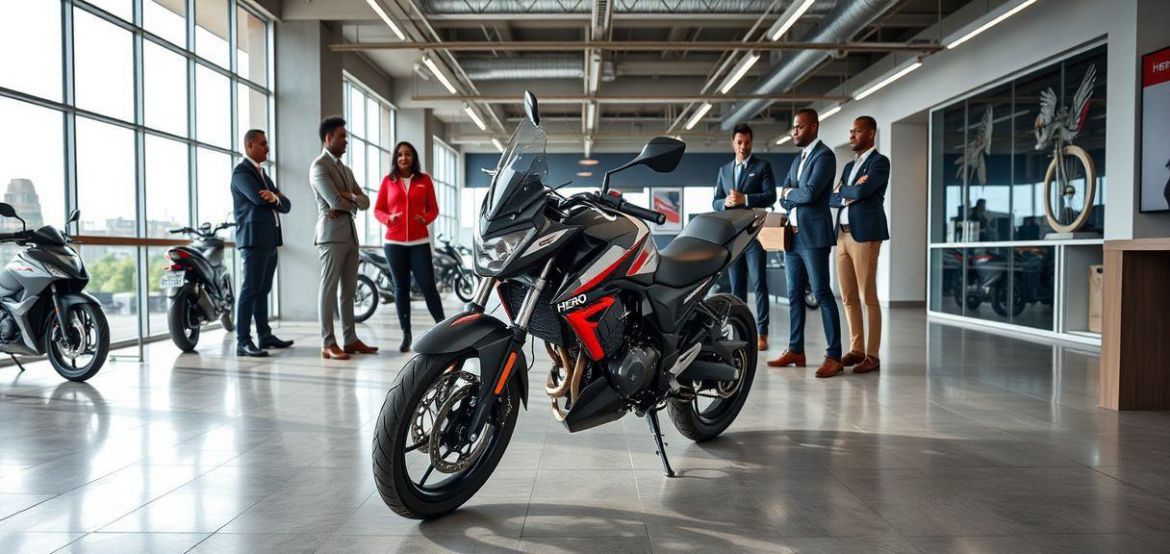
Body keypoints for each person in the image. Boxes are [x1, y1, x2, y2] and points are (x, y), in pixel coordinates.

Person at [767, 108, 843, 378]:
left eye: (799, 127)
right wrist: (790, 193)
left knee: (821, 293)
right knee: (794, 294)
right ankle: (796, 350)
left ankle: (834, 356)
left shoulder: (825, 156)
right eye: (794, 127)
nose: (794, 132)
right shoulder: (797, 159)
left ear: (813, 127)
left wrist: (791, 193)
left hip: (813, 237)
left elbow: (810, 194)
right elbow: (782, 196)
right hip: (793, 237)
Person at [310, 116, 377, 360]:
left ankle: (350, 340)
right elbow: (334, 201)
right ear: (329, 138)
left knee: (349, 291)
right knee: (328, 290)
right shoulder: (319, 166)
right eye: (342, 137)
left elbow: (366, 202)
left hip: (350, 234)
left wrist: (349, 196)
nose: (346, 141)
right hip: (330, 236)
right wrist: (348, 199)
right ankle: (328, 342)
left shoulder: (346, 170)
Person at [830, 116, 889, 375]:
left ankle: (872, 355)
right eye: (850, 131)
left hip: (865, 235)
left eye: (857, 131)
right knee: (848, 297)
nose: (851, 135)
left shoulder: (879, 162)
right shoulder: (848, 167)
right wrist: (850, 190)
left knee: (868, 296)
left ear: (871, 133)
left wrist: (848, 191)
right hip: (842, 236)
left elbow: (862, 193)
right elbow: (832, 198)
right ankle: (856, 349)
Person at [373, 141, 446, 353]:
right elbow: (378, 210)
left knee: (428, 285)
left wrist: (425, 218)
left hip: (419, 242)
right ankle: (406, 334)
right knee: (401, 288)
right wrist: (388, 219)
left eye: (407, 154)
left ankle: (443, 328)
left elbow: (433, 209)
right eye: (400, 155)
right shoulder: (388, 181)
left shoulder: (424, 180)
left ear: (413, 157)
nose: (403, 158)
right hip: (394, 243)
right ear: (395, 159)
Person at [712, 123, 776, 351]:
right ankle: (739, 332)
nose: (743, 147)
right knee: (736, 287)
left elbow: (770, 196)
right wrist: (725, 202)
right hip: (734, 237)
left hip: (755, 235)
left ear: (751, 143)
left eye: (747, 142)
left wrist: (745, 199)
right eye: (739, 142)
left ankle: (762, 333)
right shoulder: (724, 170)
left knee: (759, 284)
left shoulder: (762, 166)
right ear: (733, 143)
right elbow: (715, 200)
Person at [231, 129, 293, 357]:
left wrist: (274, 196)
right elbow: (257, 199)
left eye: (267, 143)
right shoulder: (241, 172)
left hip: (269, 240)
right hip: (253, 240)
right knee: (250, 290)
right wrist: (274, 197)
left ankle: (264, 336)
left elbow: (286, 205)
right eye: (263, 143)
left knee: (263, 290)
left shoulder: (263, 175)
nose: (267, 147)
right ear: (250, 146)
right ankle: (243, 341)